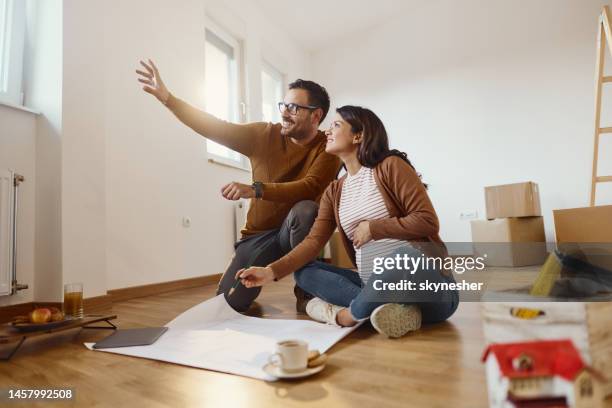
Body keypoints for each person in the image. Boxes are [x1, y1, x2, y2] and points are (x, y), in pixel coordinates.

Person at [135, 59, 340, 312]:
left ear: (316, 115)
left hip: (295, 232)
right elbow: (215, 127)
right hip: (258, 236)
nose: (285, 112)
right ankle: (251, 284)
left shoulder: (329, 147)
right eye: (284, 105)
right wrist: (168, 98)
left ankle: (307, 293)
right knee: (228, 304)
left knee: (306, 210)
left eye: (294, 108)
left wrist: (255, 189)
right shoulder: (263, 135)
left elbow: (309, 186)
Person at [236, 105, 459, 338]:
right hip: (371, 286)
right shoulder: (334, 191)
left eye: (336, 125)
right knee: (304, 272)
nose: (327, 132)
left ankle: (346, 316)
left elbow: (427, 221)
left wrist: (374, 228)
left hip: (429, 288)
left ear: (358, 135)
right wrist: (270, 271)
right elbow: (313, 242)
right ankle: (388, 310)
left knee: (405, 258)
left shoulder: (390, 166)